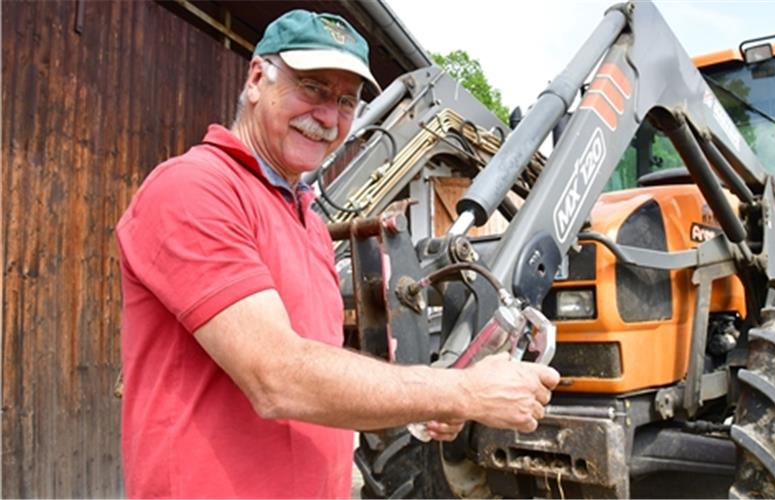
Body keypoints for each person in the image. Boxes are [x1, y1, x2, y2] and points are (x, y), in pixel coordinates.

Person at [116, 9, 560, 499]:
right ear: (258, 78)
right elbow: (277, 375)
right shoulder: (196, 188)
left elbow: (317, 361)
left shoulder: (303, 216)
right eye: (312, 88)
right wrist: (464, 391)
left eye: (346, 100)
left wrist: (421, 398)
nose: (329, 116)